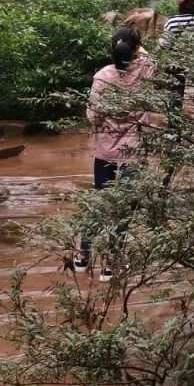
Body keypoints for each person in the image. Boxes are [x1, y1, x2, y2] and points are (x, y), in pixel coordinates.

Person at [74, 27, 155, 281]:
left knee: (101, 202)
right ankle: (111, 263)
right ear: (136, 49)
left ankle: (82, 256)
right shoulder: (146, 71)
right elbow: (153, 59)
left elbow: (93, 115)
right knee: (123, 208)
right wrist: (138, 47)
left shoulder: (102, 77)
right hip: (134, 152)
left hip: (105, 152)